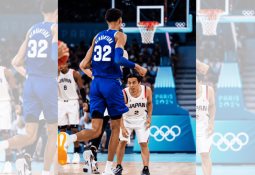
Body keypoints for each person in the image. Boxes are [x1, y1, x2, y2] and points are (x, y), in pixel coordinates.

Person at [60, 8, 147, 175]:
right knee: (115, 128)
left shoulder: (97, 36)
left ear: (107, 21)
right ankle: (108, 169)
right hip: (111, 84)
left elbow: (83, 65)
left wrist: (96, 76)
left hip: (96, 84)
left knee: (96, 130)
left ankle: (67, 139)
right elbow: (118, 59)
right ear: (120, 20)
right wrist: (137, 67)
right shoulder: (119, 35)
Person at [0, 1, 59, 174]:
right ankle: (46, 172)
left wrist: (29, 73)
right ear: (55, 11)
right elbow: (54, 57)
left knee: (30, 134)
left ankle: (4, 145)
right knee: (52, 132)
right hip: (47, 82)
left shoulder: (32, 29)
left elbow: (15, 61)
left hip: (30, 83)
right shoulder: (54, 28)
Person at [114, 73, 152, 175]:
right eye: (129, 83)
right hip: (127, 120)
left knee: (143, 143)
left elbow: (149, 103)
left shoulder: (146, 90)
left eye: (134, 82)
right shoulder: (123, 93)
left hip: (141, 119)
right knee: (122, 142)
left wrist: (149, 118)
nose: (131, 85)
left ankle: (145, 168)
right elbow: (118, 111)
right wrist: (122, 127)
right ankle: (118, 166)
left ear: (139, 82)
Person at [58, 60, 88, 164]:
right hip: (60, 102)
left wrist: (84, 102)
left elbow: (82, 89)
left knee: (74, 129)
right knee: (62, 129)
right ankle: (64, 153)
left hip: (73, 102)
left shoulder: (74, 74)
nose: (60, 66)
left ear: (67, 63)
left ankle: (76, 153)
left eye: (62, 63)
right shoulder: (55, 74)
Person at [0, 65, 19, 173]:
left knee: (5, 132)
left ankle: (8, 163)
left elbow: (14, 88)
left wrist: (17, 103)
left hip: (3, 103)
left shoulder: (5, 71)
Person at [196, 75, 215, 175]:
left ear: (199, 81)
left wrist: (211, 122)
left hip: (203, 128)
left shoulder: (208, 91)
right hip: (192, 127)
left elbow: (212, 107)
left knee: (205, 155)